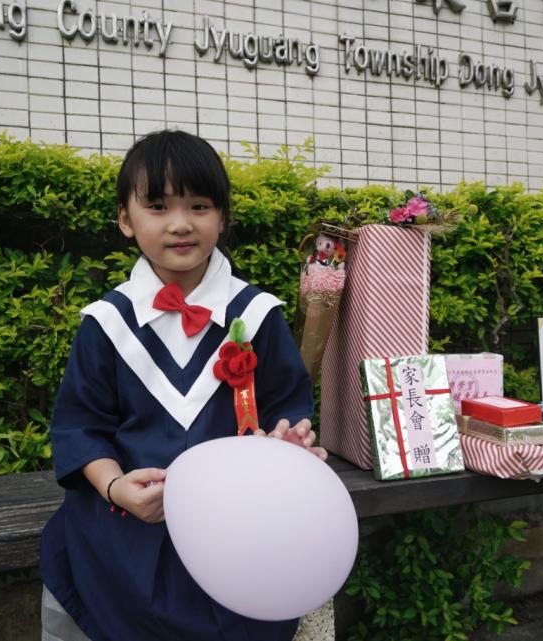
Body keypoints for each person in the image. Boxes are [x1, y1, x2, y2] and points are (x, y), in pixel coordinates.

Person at [39, 130, 327, 641]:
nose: (180, 224)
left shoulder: (256, 316)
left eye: (199, 205)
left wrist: (288, 442)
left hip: (238, 527)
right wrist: (115, 488)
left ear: (222, 217)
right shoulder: (107, 323)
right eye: (156, 206)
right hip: (128, 524)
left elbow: (286, 408)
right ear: (126, 220)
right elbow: (81, 427)